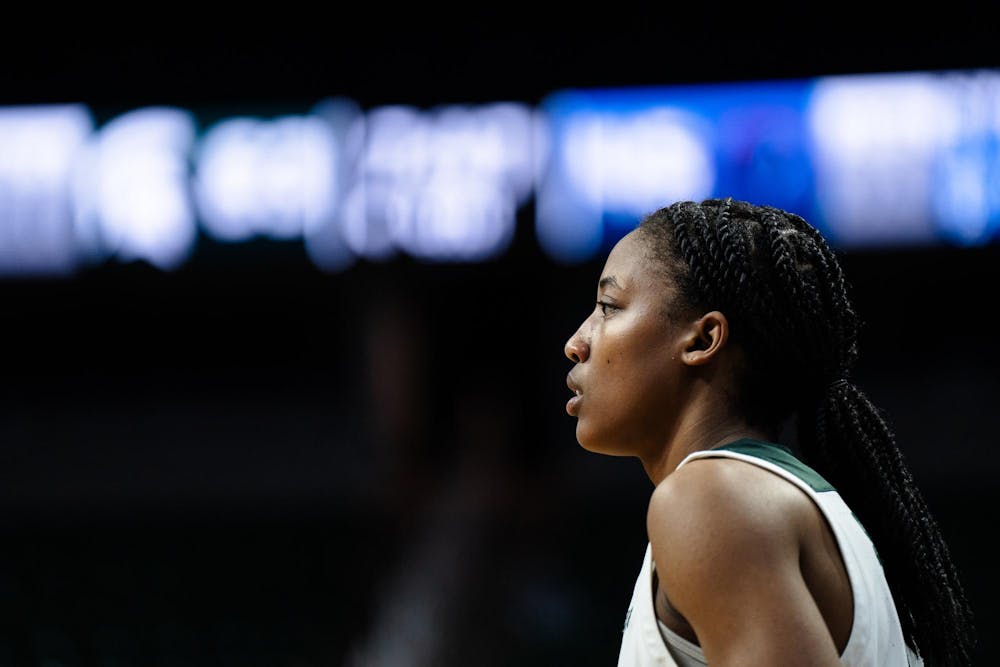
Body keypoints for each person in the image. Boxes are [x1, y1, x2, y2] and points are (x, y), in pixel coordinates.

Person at [563, 198, 976, 666]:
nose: (576, 343)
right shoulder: (775, 501)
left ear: (702, 340)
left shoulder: (713, 499)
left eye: (609, 307)